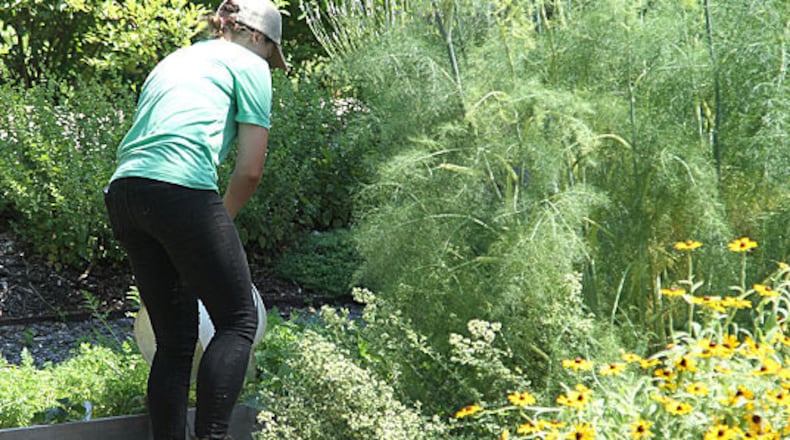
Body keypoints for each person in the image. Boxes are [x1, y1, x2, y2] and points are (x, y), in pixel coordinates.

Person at [103, 1, 287, 439]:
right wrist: (217, 221)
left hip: (125, 191)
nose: (268, 65)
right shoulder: (248, 63)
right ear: (257, 38)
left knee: (175, 337)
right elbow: (250, 170)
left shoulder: (179, 58)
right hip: (179, 189)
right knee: (238, 320)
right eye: (269, 54)